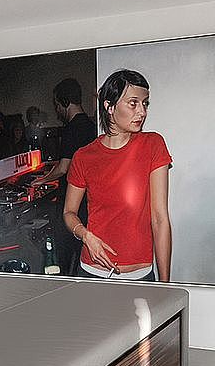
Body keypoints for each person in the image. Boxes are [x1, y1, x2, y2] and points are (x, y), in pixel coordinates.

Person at [63, 69, 172, 282]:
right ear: (109, 106)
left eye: (145, 103)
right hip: (92, 274)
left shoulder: (153, 145)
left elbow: (160, 219)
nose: (142, 111)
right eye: (133, 103)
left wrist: (165, 283)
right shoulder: (84, 156)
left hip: (139, 276)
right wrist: (85, 236)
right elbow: (68, 212)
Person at [34, 77, 96, 273]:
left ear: (64, 102)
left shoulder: (71, 128)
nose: (56, 110)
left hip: (71, 201)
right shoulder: (91, 125)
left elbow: (64, 168)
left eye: (56, 104)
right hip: (88, 200)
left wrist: (41, 180)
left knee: (64, 252)